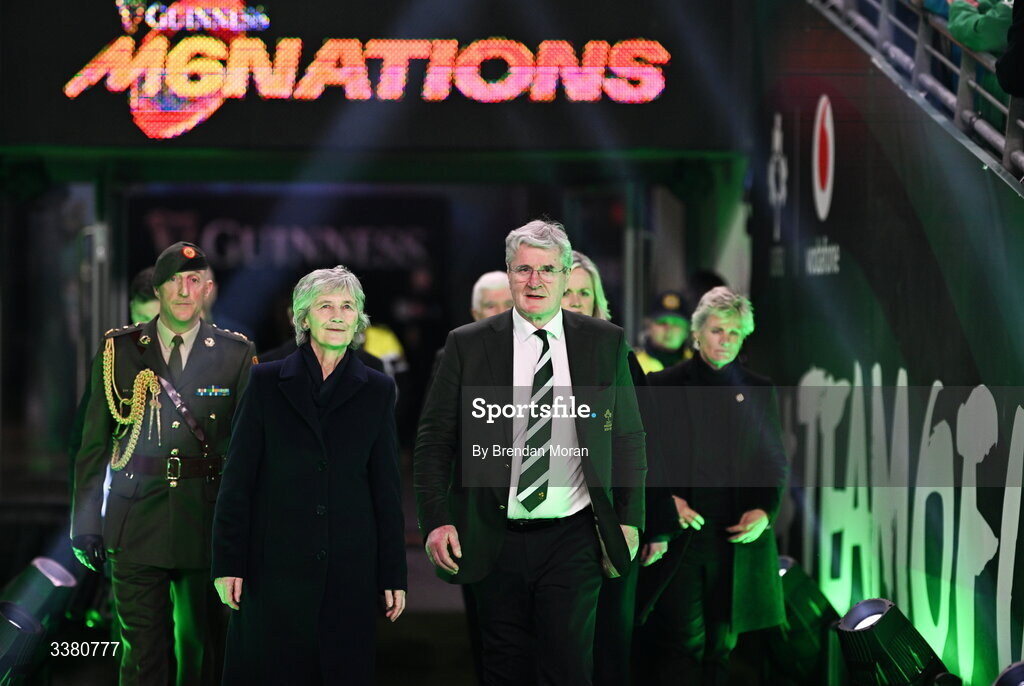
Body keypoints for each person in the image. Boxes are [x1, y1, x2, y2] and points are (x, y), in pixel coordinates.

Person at [415, 219, 646, 686]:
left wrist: (630, 518)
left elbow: (627, 436)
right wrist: (437, 518)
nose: (534, 281)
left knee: (568, 668)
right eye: (523, 269)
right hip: (492, 533)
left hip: (574, 537)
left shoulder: (605, 342)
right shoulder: (467, 344)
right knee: (504, 668)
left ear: (565, 276)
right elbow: (434, 438)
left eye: (546, 270)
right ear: (509, 272)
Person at [70, 242, 256, 686]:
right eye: (174, 280)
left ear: (208, 289)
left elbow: (249, 452)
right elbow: (94, 444)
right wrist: (85, 524)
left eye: (194, 280)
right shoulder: (121, 349)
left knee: (201, 653)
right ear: (158, 287)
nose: (184, 290)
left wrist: (245, 531)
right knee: (142, 656)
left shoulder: (234, 353)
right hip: (135, 519)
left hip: (205, 520)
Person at [212, 265, 407, 686]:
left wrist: (393, 573)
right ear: (303, 318)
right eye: (325, 306)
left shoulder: (377, 389)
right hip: (273, 570)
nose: (337, 315)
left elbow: (386, 488)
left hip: (348, 572)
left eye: (347, 307)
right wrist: (228, 562)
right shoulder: (265, 381)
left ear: (358, 319)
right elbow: (238, 479)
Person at [636, 287, 789, 686]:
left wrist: (764, 511)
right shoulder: (662, 385)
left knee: (722, 647)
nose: (726, 340)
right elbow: (642, 457)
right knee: (683, 644)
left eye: (735, 333)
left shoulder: (758, 389)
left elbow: (772, 462)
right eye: (718, 330)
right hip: (683, 535)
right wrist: (666, 502)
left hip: (735, 537)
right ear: (698, 333)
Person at [561, 251, 674, 686]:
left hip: (610, 523)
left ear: (596, 302)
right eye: (567, 291)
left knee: (609, 646)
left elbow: (643, 442)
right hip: (546, 526)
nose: (574, 300)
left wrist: (653, 523)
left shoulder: (620, 356)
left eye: (583, 293)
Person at [635, 290, 693, 374]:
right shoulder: (631, 366)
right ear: (648, 326)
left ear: (687, 330)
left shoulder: (699, 366)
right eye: (662, 322)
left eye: (676, 323)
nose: (668, 329)